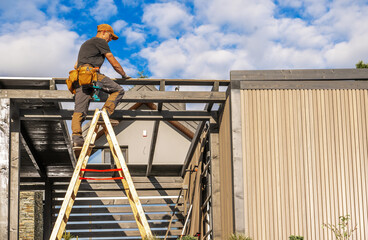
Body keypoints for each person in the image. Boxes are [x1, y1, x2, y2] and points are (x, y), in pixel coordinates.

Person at [71, 24, 130, 147]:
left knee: (79, 110)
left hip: (80, 79)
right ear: (103, 32)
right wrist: (124, 75)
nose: (110, 40)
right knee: (118, 90)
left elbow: (76, 66)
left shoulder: (85, 44)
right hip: (91, 74)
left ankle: (77, 138)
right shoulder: (100, 41)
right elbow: (112, 60)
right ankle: (104, 115)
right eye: (110, 36)